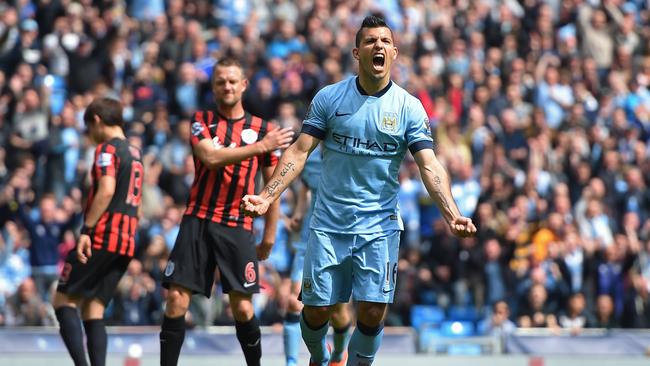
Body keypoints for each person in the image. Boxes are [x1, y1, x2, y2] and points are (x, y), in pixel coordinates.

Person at [242, 15, 477, 366]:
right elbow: (299, 151)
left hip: (379, 227)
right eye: (370, 41)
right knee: (317, 311)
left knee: (371, 312)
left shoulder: (408, 107)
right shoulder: (329, 98)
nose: (378, 46)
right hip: (328, 225)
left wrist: (452, 213)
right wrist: (267, 196)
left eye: (385, 41)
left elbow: (429, 165)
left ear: (394, 53)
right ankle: (318, 356)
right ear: (357, 52)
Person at [159, 57, 294, 366]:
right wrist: (261, 147)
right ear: (214, 86)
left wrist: (269, 237)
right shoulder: (201, 120)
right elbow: (211, 157)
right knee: (176, 300)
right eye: (221, 81)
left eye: (233, 81)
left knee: (244, 309)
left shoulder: (262, 128)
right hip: (198, 220)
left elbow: (272, 188)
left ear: (244, 85)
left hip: (237, 225)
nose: (227, 86)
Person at [53, 97, 144, 366]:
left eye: (89, 128)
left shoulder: (107, 149)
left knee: (62, 300)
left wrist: (86, 230)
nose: (90, 136)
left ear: (96, 120)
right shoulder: (136, 153)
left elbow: (106, 189)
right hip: (126, 241)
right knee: (93, 309)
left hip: (103, 236)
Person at [284, 142, 352, 366]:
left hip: (339, 242)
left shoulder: (352, 156)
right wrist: (298, 213)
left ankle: (339, 353)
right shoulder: (309, 158)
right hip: (308, 240)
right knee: (294, 303)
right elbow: (306, 189)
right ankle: (294, 361)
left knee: (336, 310)